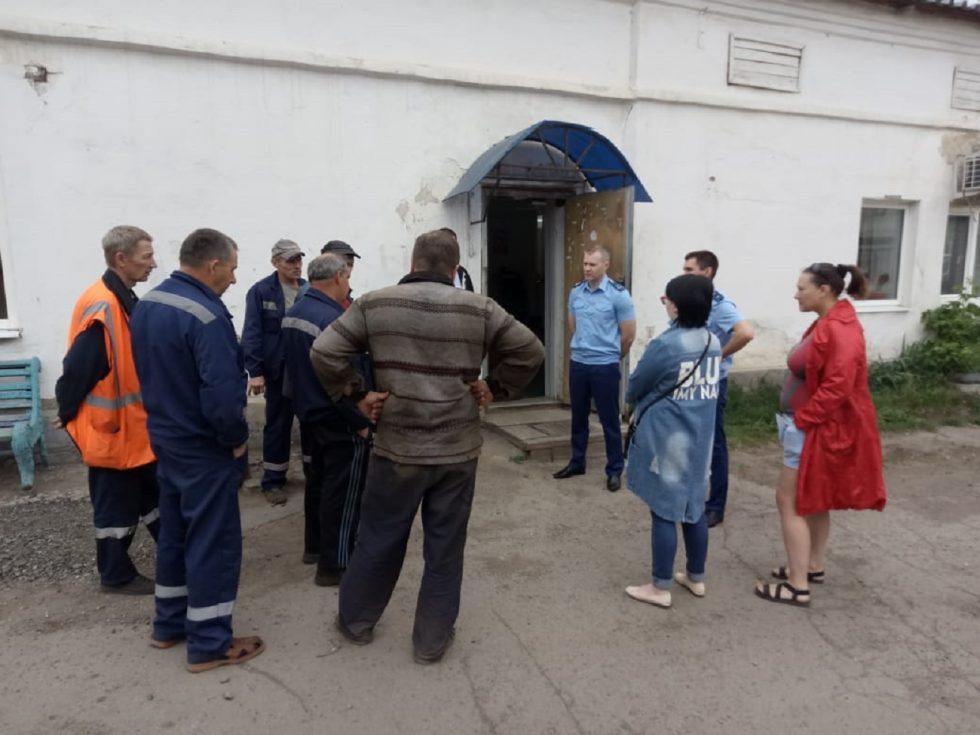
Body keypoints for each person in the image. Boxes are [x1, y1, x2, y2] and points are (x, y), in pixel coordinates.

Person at [311, 228, 543, 664]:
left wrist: (356, 394)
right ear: (455, 270)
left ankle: (356, 622)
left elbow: (324, 351)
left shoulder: (374, 304)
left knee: (379, 537)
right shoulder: (480, 308)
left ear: (413, 262)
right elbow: (531, 350)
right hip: (457, 451)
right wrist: (495, 387)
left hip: (397, 450)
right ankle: (431, 642)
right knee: (445, 548)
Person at [131, 228, 264, 673]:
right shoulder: (207, 316)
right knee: (213, 541)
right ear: (213, 265)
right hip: (204, 448)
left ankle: (168, 624)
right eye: (232, 269)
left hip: (166, 439)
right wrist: (237, 441)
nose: (233, 278)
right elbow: (223, 395)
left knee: (175, 533)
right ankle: (209, 641)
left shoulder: (148, 303)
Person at [754, 263, 886, 608]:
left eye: (802, 288)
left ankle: (797, 586)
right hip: (806, 426)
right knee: (813, 498)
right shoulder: (829, 321)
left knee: (789, 501)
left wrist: (803, 420)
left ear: (823, 290)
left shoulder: (840, 329)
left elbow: (839, 385)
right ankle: (812, 565)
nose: (796, 294)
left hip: (810, 428)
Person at [55, 225, 160, 595]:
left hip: (132, 429)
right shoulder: (104, 305)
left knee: (153, 494)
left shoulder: (121, 297)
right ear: (121, 259)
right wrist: (66, 410)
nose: (153, 264)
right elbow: (79, 368)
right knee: (115, 507)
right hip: (110, 431)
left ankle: (177, 551)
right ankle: (115, 575)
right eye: (147, 256)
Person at [623, 275, 722, 609]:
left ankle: (659, 586)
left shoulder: (667, 345)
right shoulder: (713, 341)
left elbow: (635, 386)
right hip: (700, 439)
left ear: (677, 306)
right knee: (694, 508)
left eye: (666, 299)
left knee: (663, 509)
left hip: (669, 438)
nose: (664, 303)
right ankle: (696, 576)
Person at [282, 254, 373, 585]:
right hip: (338, 418)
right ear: (337, 277)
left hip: (310, 414)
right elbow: (344, 379)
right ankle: (336, 565)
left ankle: (315, 548)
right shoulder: (335, 320)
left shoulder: (295, 312)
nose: (348, 283)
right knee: (344, 491)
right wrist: (360, 422)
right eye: (347, 277)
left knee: (318, 483)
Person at [553, 245, 636, 491]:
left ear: (605, 265)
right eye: (585, 263)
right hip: (579, 363)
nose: (587, 268)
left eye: (592, 264)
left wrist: (612, 356)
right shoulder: (576, 292)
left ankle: (614, 470)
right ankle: (577, 462)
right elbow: (573, 325)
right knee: (578, 417)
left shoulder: (619, 295)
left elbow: (628, 335)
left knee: (609, 420)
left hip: (605, 366)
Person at [682, 250, 755, 527]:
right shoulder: (690, 300)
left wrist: (720, 355)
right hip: (689, 380)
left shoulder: (721, 305)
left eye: (689, 270)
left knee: (714, 443)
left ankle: (715, 505)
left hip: (712, 383)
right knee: (690, 440)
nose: (684, 274)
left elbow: (745, 332)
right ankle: (691, 495)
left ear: (707, 272)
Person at [242, 239, 306, 505]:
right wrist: (255, 371)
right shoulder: (261, 291)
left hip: (305, 369)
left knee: (311, 422)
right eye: (290, 260)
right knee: (278, 424)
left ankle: (314, 474)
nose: (296, 265)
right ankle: (273, 480)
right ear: (276, 262)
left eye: (298, 259)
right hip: (278, 370)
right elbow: (252, 332)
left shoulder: (308, 289)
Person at [319, 240, 360, 308]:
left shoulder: (345, 296)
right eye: (342, 264)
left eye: (350, 264)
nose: (347, 269)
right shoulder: (316, 295)